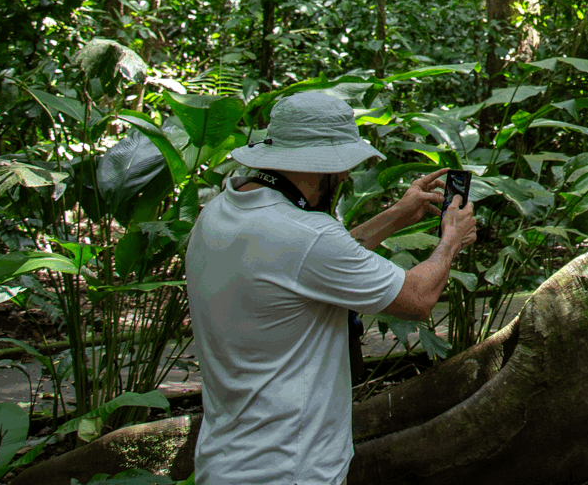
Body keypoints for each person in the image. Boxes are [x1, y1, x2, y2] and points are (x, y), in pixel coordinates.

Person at [186, 91, 478, 485]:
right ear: (316, 165)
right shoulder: (307, 237)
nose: (343, 177)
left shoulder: (221, 212)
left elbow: (309, 263)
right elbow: (418, 298)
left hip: (225, 463)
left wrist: (397, 215)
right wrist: (451, 240)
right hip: (288, 469)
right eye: (340, 167)